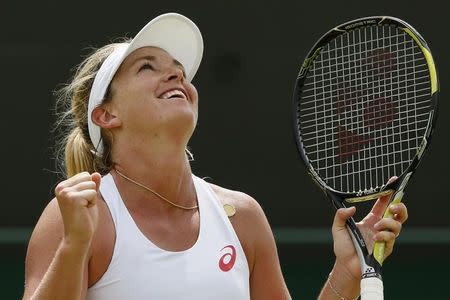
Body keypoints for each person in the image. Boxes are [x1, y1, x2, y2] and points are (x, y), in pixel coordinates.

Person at [22, 12, 408, 300]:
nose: (177, 76)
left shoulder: (244, 218)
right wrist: (74, 245)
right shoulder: (76, 216)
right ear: (107, 115)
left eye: (179, 71)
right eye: (147, 67)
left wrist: (347, 271)